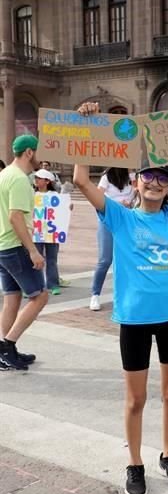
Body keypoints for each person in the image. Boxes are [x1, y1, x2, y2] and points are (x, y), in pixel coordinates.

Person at [73, 98, 168, 494]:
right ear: (136, 181)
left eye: (162, 179)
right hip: (133, 320)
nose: (155, 182)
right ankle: (134, 463)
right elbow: (81, 182)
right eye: (148, 176)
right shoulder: (120, 217)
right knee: (136, 398)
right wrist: (87, 130)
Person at [0, 135, 47, 371]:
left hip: (3, 245)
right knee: (40, 296)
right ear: (29, 152)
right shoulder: (18, 179)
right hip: (15, 245)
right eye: (39, 151)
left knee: (12, 297)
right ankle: (7, 346)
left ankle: (6, 350)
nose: (41, 158)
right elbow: (15, 216)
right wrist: (33, 251)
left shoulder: (5, 174)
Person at [89, 168, 135, 310]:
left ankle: (124, 295)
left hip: (126, 221)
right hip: (108, 220)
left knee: (125, 260)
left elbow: (137, 196)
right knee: (105, 259)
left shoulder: (133, 176)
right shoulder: (107, 177)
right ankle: (95, 294)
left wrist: (130, 203)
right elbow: (97, 197)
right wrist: (116, 205)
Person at [33, 168, 63, 295]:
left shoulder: (55, 196)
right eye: (36, 178)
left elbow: (62, 210)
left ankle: (53, 284)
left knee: (52, 259)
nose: (36, 181)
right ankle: (34, 285)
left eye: (39, 179)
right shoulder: (32, 195)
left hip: (51, 232)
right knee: (35, 259)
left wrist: (68, 207)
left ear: (47, 181)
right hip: (36, 232)